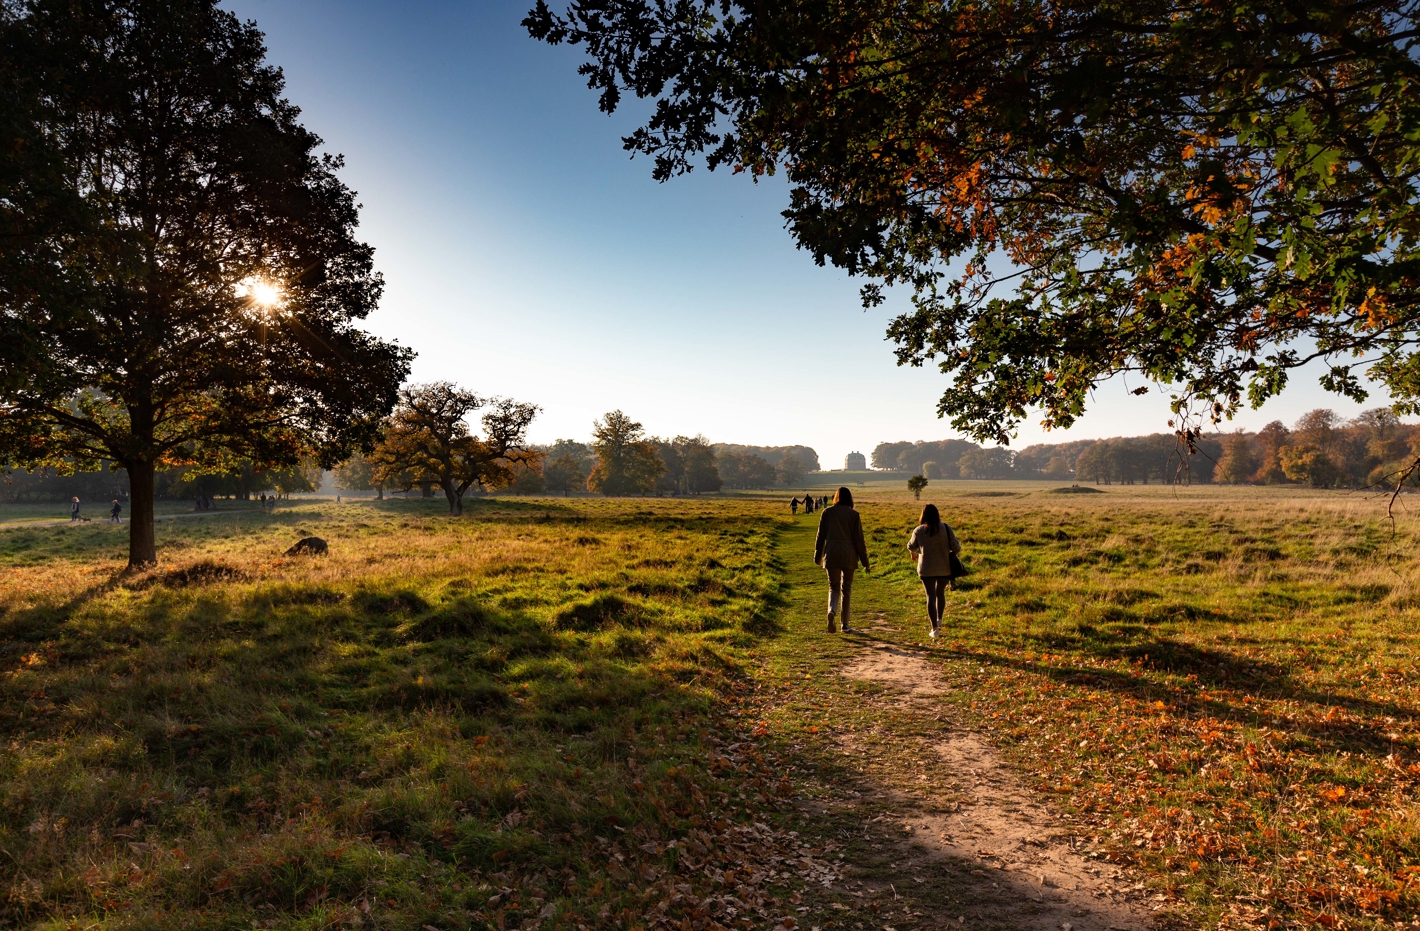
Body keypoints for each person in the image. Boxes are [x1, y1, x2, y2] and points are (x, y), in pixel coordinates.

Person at [814, 486, 871, 633]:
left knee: (833, 586)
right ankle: (845, 624)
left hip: (831, 553)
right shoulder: (854, 515)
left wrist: (817, 556)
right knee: (846, 589)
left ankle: (831, 611)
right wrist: (865, 562)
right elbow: (859, 540)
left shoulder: (827, 512)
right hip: (849, 554)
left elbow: (820, 536)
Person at [907, 503, 962, 639]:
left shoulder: (918, 530)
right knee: (940, 593)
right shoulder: (946, 528)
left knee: (930, 596)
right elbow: (956, 547)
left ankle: (934, 629)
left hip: (926, 569)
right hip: (944, 567)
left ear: (923, 515)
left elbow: (910, 546)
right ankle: (940, 619)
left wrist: (913, 553)